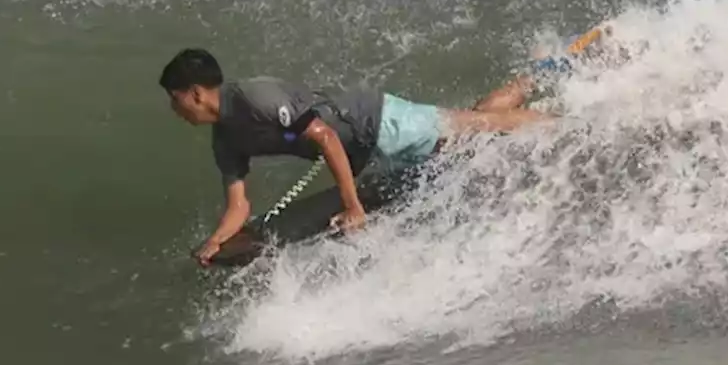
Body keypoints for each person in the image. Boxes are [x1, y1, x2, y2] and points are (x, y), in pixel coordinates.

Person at [159, 47, 565, 267]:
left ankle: (575, 122)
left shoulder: (254, 97)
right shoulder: (225, 138)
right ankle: (536, 74)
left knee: (482, 129)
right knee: (475, 122)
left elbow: (326, 136)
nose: (174, 110)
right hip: (371, 146)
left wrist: (353, 207)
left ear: (195, 93)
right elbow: (239, 204)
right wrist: (216, 241)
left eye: (175, 100)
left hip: (379, 122)